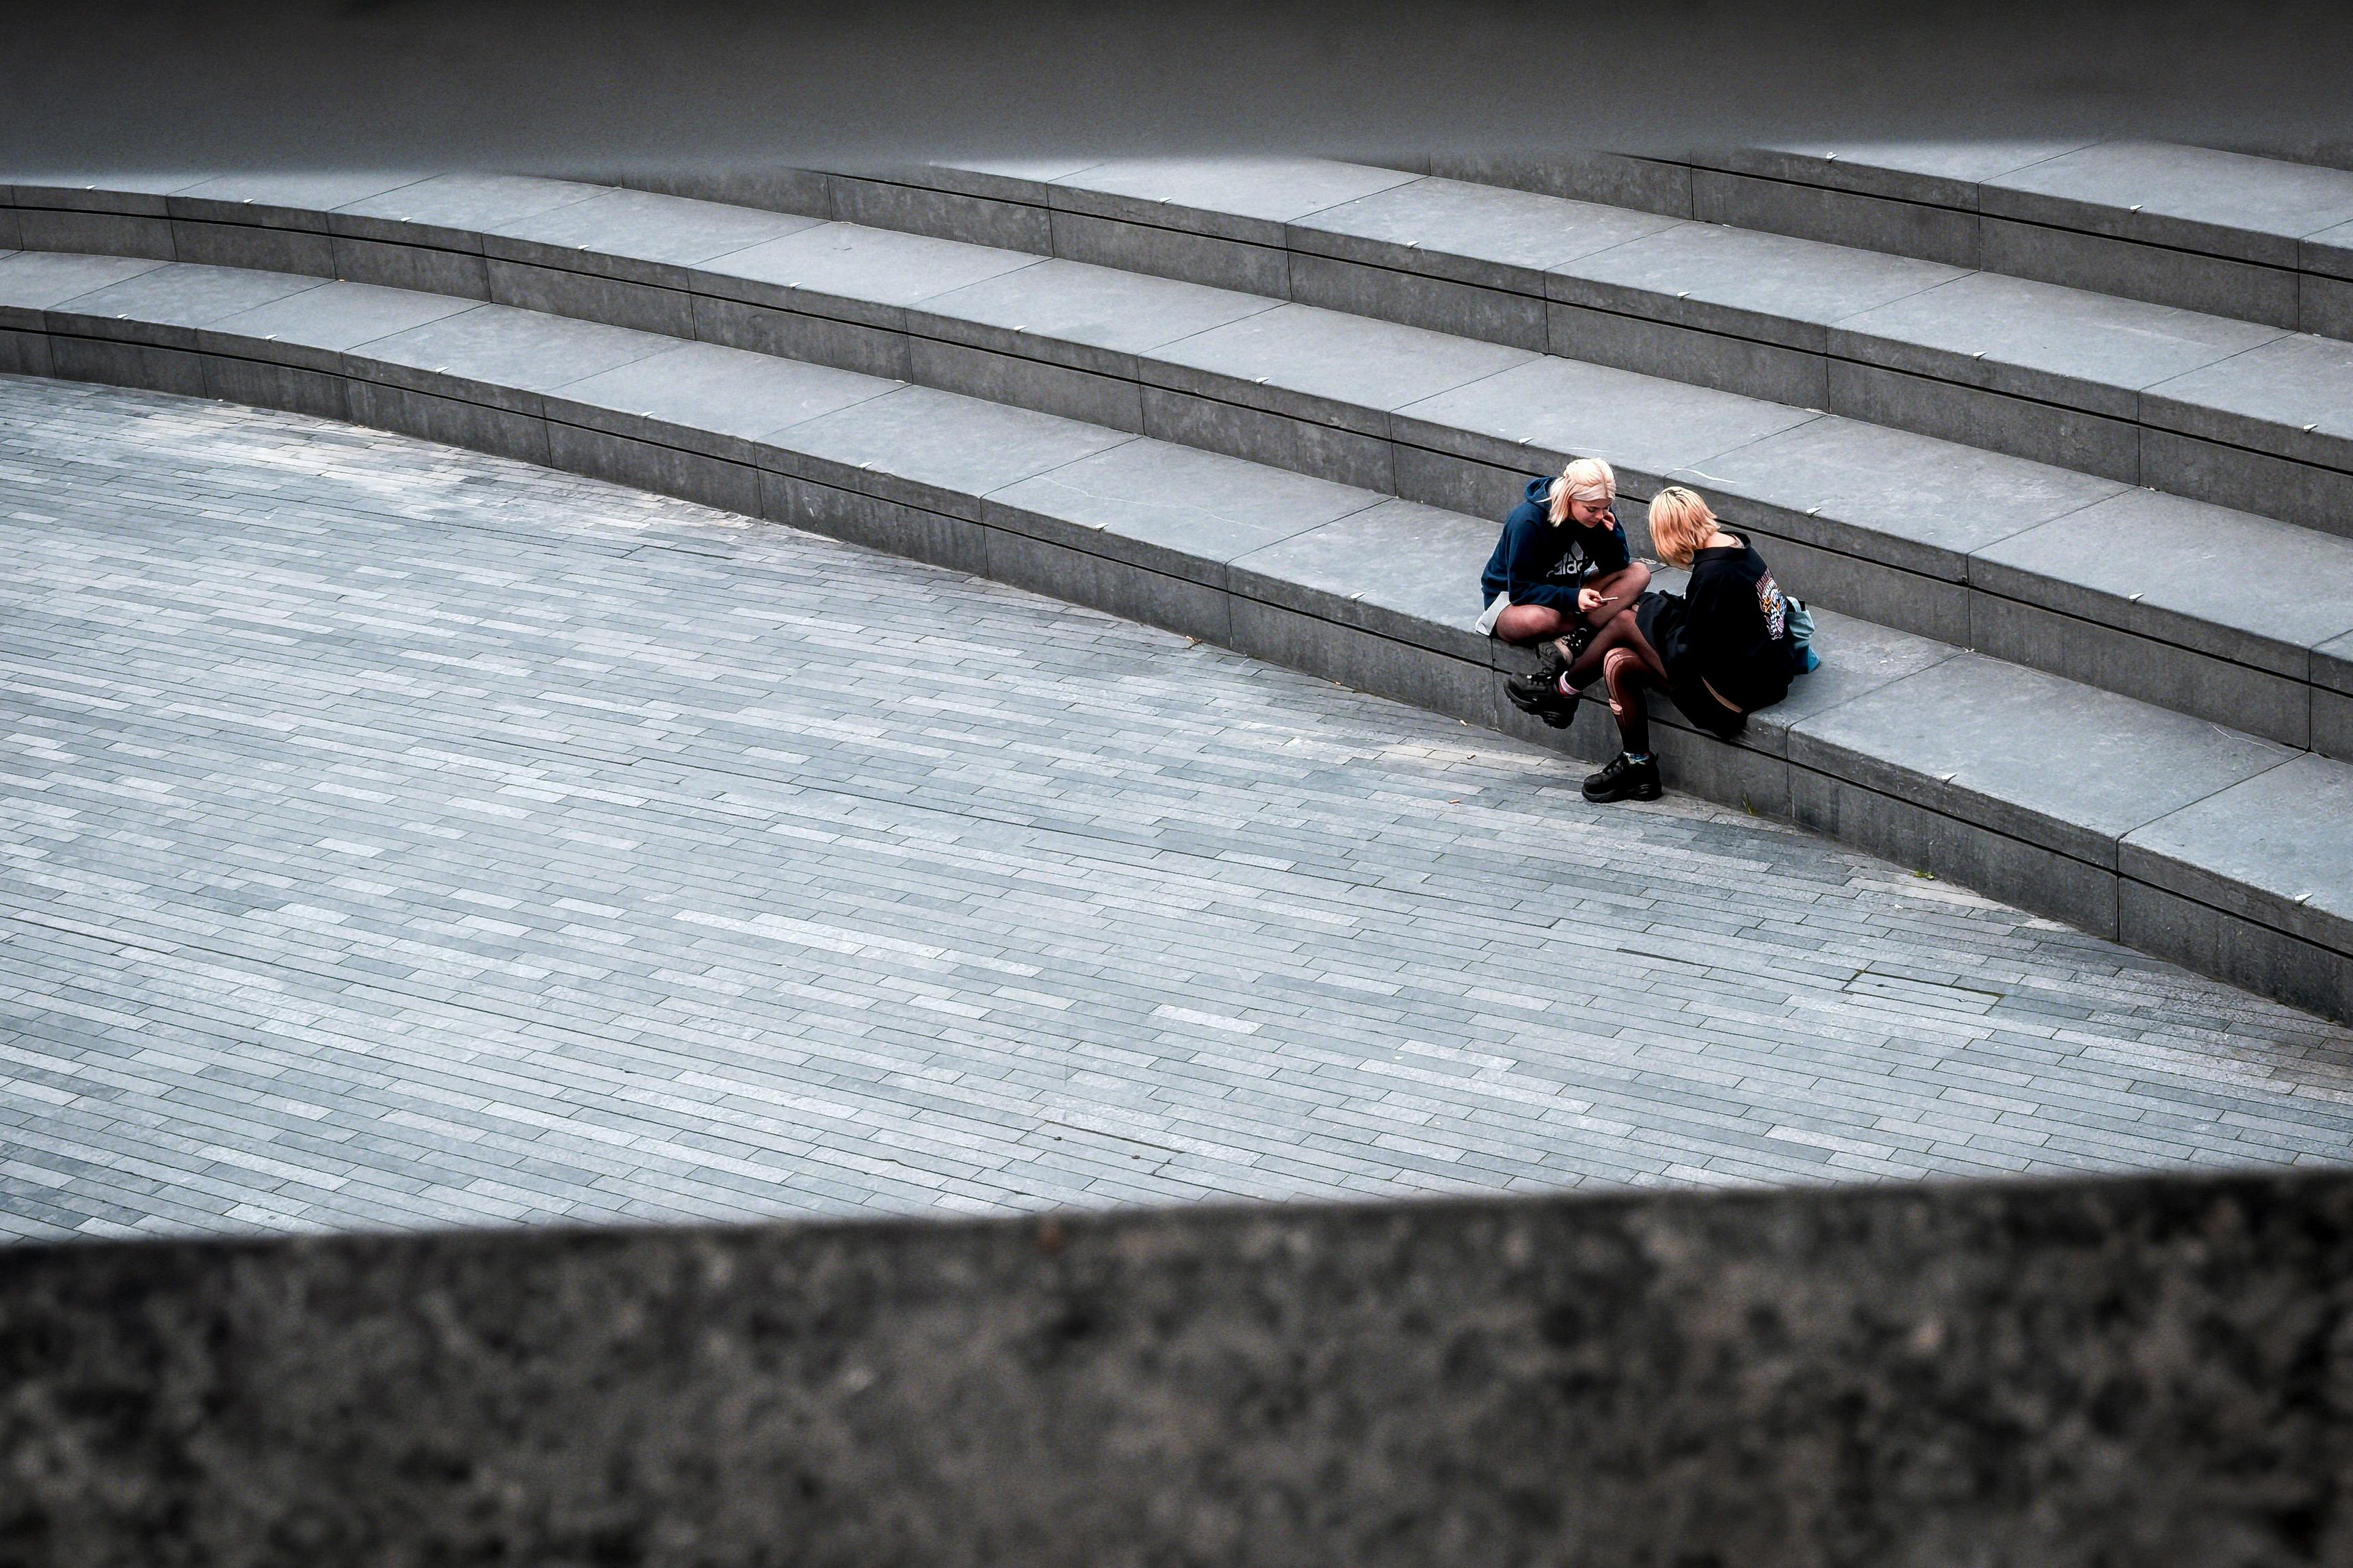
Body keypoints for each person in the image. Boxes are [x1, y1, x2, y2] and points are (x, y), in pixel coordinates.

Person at [1529, 486, 1804, 803]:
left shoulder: (1715, 573)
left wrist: (1650, 617)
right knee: (1618, 659)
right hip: (1758, 676)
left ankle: (1562, 691)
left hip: (1731, 699)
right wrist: (1654, 613)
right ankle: (1638, 766)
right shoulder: (1735, 547)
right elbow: (1708, 623)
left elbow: (1690, 653)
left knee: (1626, 621)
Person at [1478, 457, 1652, 728]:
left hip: (1568, 596)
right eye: (1592, 509)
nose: (1600, 515)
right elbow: (1520, 590)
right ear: (1570, 499)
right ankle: (1589, 632)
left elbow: (1617, 566)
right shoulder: (1528, 521)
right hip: (1513, 603)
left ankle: (1574, 639)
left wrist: (1610, 533)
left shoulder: (1596, 516)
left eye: (1606, 508)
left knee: (1639, 573)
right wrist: (1573, 599)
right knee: (1543, 619)